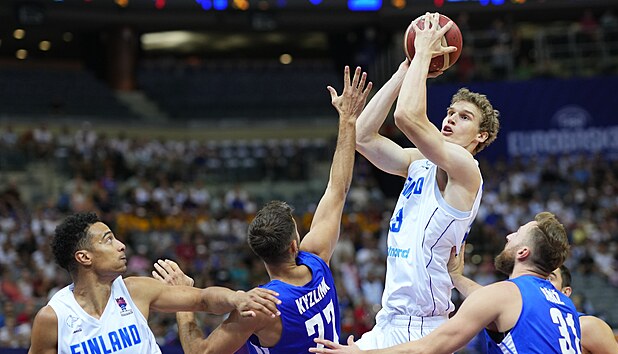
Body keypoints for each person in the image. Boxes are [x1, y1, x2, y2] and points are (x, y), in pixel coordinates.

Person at [152, 65, 373, 353]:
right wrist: (347, 120)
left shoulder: (262, 306)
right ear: (294, 245)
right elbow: (337, 188)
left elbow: (200, 352)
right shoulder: (317, 258)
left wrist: (182, 300)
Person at [352, 12, 500, 349]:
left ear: (481, 136)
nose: (450, 120)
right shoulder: (421, 162)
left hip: (420, 325)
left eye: (464, 118)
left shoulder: (465, 168)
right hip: (389, 317)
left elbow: (406, 116)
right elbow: (362, 136)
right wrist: (406, 67)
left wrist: (421, 54)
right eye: (450, 112)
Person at [310, 211, 581, 354]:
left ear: (524, 253)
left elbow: (428, 348)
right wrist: (456, 277)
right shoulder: (562, 304)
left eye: (518, 235)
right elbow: (491, 301)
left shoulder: (505, 295)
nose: (509, 235)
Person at [28, 211, 281, 354]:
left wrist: (235, 297)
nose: (120, 245)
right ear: (84, 257)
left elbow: (202, 299)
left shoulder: (136, 290)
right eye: (108, 240)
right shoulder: (54, 318)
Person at [549, 265, 618, 354]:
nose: (541, 283)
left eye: (549, 278)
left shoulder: (587, 326)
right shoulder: (531, 326)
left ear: (565, 292)